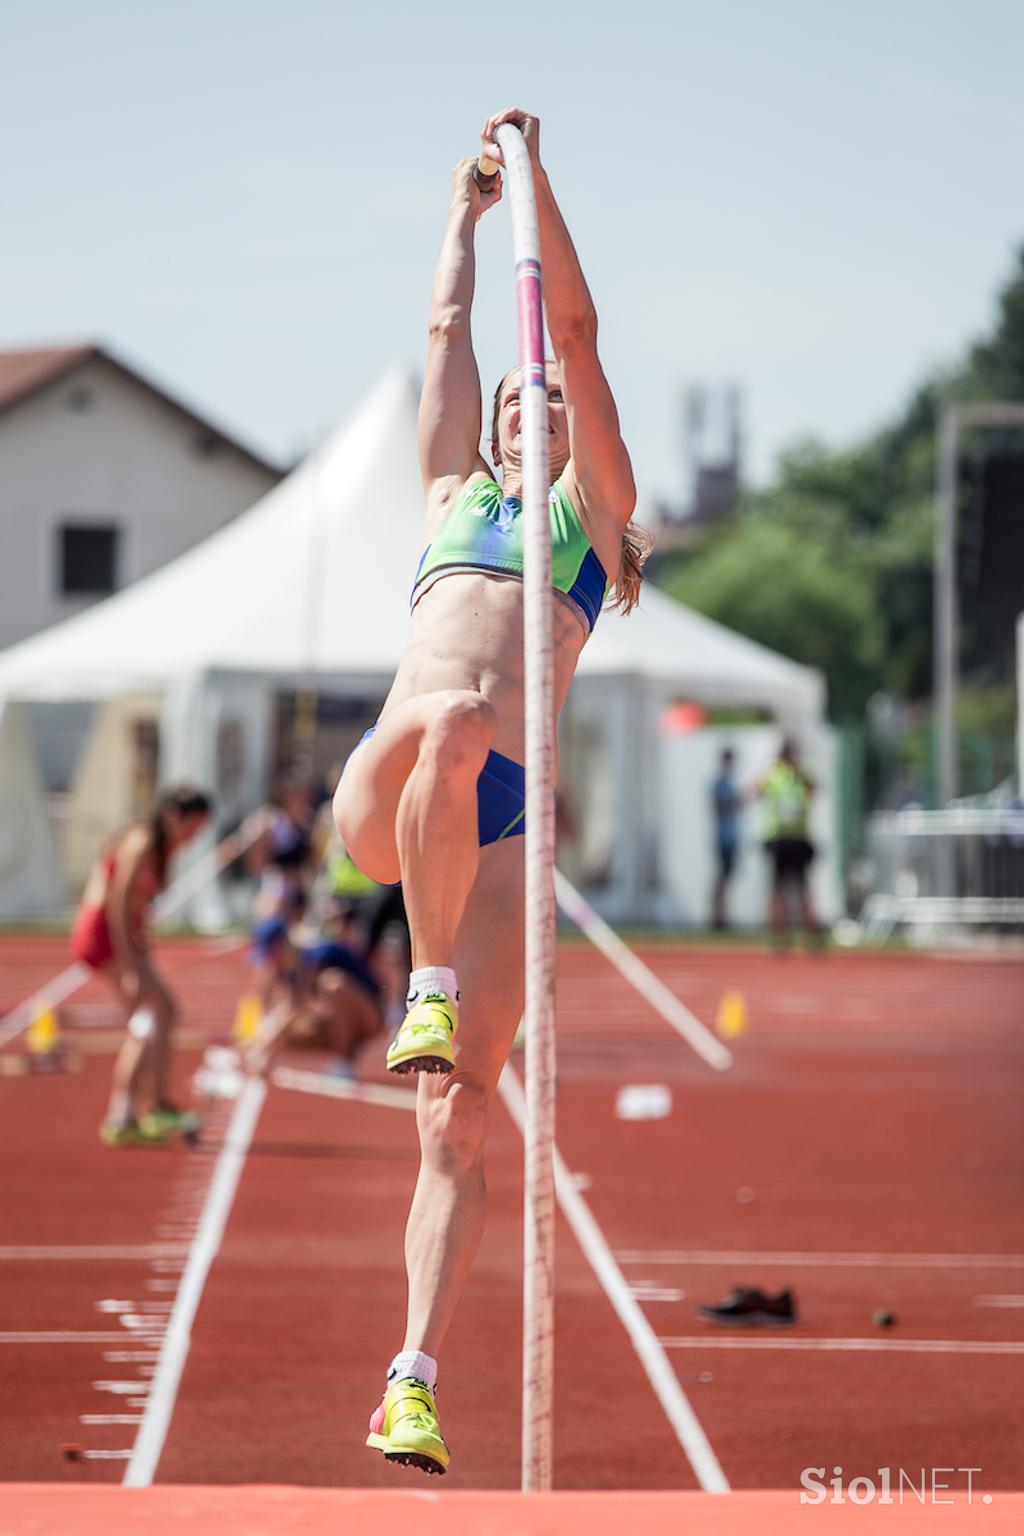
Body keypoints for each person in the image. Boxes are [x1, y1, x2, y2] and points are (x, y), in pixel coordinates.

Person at [333, 107, 649, 1476]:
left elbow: (569, 332)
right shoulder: (449, 493)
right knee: (458, 715)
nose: (532, 398)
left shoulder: (587, 519)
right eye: (519, 398)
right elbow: (453, 339)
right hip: (398, 772)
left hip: (504, 819)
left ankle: (413, 1376)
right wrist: (467, 213)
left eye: (551, 400)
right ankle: (427, 981)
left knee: (454, 1122)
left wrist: (544, 182)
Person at [70, 785, 213, 1145]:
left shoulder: (162, 850)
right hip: (103, 935)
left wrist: (141, 951)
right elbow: (117, 905)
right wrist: (133, 965)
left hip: (121, 938)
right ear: (172, 816)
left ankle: (145, 1107)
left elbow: (137, 910)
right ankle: (134, 1111)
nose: (192, 838)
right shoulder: (141, 843)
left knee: (159, 1013)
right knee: (152, 1014)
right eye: (191, 828)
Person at [755, 738, 822, 948]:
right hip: (779, 837)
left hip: (799, 837)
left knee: (802, 888)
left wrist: (800, 772)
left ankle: (811, 935)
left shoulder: (802, 773)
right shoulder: (774, 774)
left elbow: (814, 789)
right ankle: (778, 935)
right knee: (777, 889)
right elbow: (756, 791)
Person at [710, 747, 741, 929]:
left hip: (732, 836)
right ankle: (718, 916)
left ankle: (723, 915)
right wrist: (735, 802)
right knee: (722, 876)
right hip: (724, 836)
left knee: (727, 877)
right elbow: (718, 807)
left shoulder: (730, 783)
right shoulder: (720, 783)